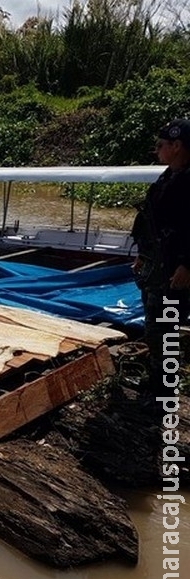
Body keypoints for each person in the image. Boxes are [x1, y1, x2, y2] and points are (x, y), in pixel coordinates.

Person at [130, 118, 190, 398]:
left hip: (175, 268)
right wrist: (143, 255)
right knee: (153, 324)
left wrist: (186, 265)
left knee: (166, 327)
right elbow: (149, 220)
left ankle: (165, 385)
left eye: (161, 145)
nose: (157, 150)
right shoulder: (167, 177)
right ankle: (156, 375)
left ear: (177, 146)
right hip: (157, 264)